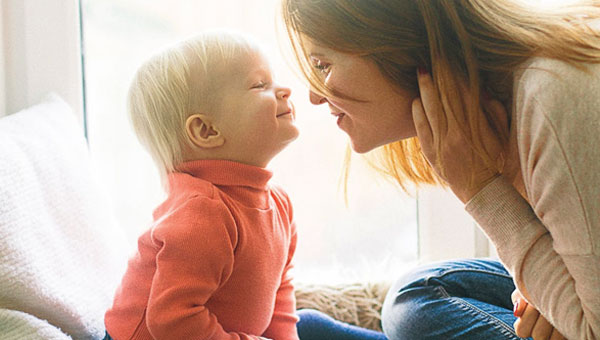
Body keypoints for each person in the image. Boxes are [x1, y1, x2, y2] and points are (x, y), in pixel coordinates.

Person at [279, 0, 600, 339]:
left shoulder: (550, 101)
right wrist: (543, 292)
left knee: (402, 316)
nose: (315, 96)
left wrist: (482, 190)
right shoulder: (506, 102)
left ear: (396, 42)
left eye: (322, 65)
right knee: (415, 297)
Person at [103, 30, 301, 340]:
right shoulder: (202, 214)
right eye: (260, 85)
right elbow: (172, 321)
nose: (284, 89)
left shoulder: (279, 204)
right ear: (206, 130)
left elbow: (280, 290)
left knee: (312, 320)